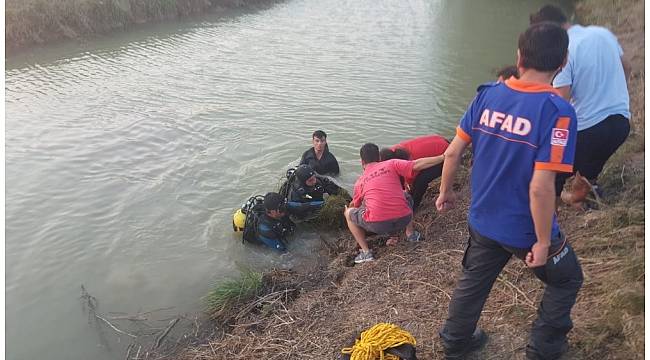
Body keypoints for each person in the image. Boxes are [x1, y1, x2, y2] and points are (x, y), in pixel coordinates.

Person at [435, 23, 584, 360]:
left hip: (483, 220)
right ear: (562, 62)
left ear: (519, 57)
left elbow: (452, 152)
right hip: (525, 229)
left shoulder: (487, 94)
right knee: (566, 279)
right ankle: (544, 351)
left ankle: (455, 342)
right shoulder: (558, 113)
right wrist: (544, 243)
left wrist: (445, 191)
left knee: (473, 282)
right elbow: (541, 186)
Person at [530, 5, 631, 206]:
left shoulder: (563, 51)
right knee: (590, 160)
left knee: (549, 169)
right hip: (621, 124)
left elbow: (561, 106)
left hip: (590, 132)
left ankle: (558, 204)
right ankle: (586, 181)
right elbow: (627, 67)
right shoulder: (602, 32)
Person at [344, 143, 444, 263]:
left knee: (349, 213)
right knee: (404, 194)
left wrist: (347, 209)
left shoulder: (360, 181)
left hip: (378, 226)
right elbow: (417, 164)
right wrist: (443, 157)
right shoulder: (391, 163)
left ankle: (366, 253)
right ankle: (411, 234)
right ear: (379, 158)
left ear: (362, 162)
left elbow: (355, 205)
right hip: (404, 219)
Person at [379, 134, 449, 210]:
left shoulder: (406, 160)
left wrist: (407, 188)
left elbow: (410, 178)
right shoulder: (393, 151)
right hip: (438, 140)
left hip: (447, 155)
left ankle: (413, 207)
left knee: (421, 181)